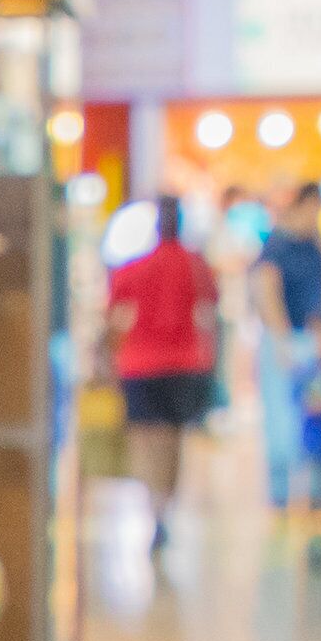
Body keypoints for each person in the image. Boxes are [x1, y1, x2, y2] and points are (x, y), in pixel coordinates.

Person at [106, 197, 221, 553]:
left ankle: (153, 502)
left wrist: (108, 358)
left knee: (146, 438)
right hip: (185, 363)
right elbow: (211, 312)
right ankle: (163, 506)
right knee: (173, 439)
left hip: (140, 363)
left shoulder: (136, 268)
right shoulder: (196, 265)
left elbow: (114, 314)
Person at [255, 183, 321, 566]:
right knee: (280, 425)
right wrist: (280, 338)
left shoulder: (318, 248)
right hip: (285, 340)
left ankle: (317, 500)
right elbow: (266, 289)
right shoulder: (276, 246)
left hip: (311, 341)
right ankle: (280, 500)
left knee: (315, 421)